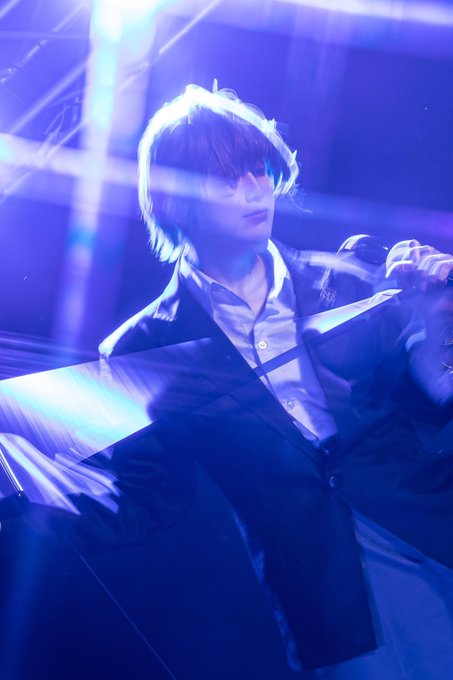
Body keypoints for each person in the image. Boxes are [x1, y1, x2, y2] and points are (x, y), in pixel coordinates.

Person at [101, 85, 453, 677]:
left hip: (431, 527)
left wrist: (435, 322)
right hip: (331, 597)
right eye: (226, 178)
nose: (254, 189)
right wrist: (36, 484)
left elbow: (429, 401)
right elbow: (145, 498)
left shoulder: (349, 281)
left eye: (259, 169)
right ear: (176, 199)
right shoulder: (144, 348)